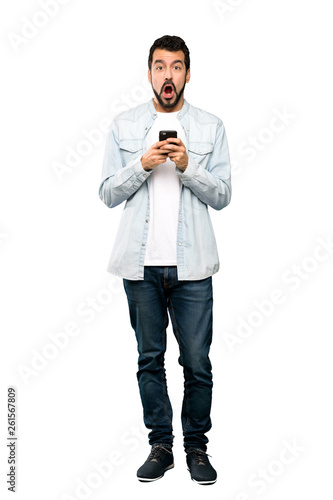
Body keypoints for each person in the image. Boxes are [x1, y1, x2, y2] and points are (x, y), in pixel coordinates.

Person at [98, 35, 231, 485]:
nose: (168, 75)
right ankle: (161, 446)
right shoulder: (124, 125)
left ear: (187, 74)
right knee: (148, 359)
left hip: (193, 269)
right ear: (149, 72)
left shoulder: (211, 127)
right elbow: (107, 194)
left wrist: (189, 165)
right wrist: (142, 163)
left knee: (197, 362)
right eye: (160, 66)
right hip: (140, 270)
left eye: (176, 67)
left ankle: (196, 448)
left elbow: (224, 195)